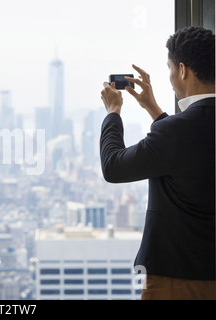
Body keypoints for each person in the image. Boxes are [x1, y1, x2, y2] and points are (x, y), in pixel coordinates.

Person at [100, 26, 215, 300]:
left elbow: (113, 167)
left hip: (179, 279)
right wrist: (154, 109)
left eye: (170, 69)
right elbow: (193, 153)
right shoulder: (181, 131)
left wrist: (113, 113)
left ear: (183, 70)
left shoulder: (175, 132)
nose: (171, 77)